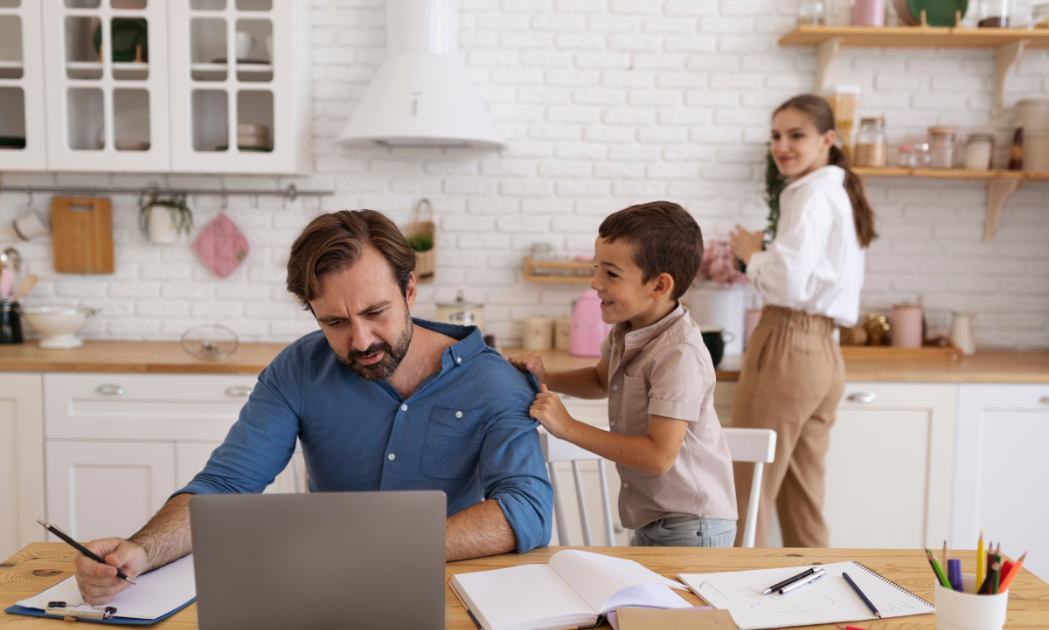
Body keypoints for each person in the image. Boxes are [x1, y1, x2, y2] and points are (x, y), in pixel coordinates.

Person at [73, 210, 553, 605]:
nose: (360, 340)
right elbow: (225, 486)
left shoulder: (493, 380)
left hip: (449, 590)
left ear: (409, 292)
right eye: (335, 321)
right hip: (325, 595)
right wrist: (139, 550)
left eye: (374, 313)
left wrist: (375, 550)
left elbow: (525, 510)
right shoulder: (299, 369)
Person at [510, 202, 738, 547]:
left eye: (611, 274)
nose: (595, 282)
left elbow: (658, 456)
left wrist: (568, 427)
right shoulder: (628, 327)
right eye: (596, 267)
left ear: (659, 286)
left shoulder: (679, 355)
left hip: (693, 525)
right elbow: (602, 380)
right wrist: (546, 376)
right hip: (656, 519)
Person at [728, 94, 875, 548]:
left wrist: (752, 256)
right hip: (825, 354)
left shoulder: (808, 194)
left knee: (747, 491)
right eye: (776, 136)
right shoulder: (838, 192)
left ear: (827, 140)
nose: (782, 146)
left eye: (797, 135)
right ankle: (824, 610)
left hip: (789, 345)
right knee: (802, 500)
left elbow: (789, 285)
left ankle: (728, 606)